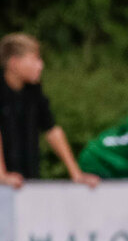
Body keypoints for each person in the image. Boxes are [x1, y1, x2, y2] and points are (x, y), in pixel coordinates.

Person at [0, 33, 99, 188]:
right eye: (34, 59)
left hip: (27, 179)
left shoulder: (33, 90)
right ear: (14, 63)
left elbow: (52, 130)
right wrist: (2, 175)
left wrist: (76, 173)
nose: (40, 65)